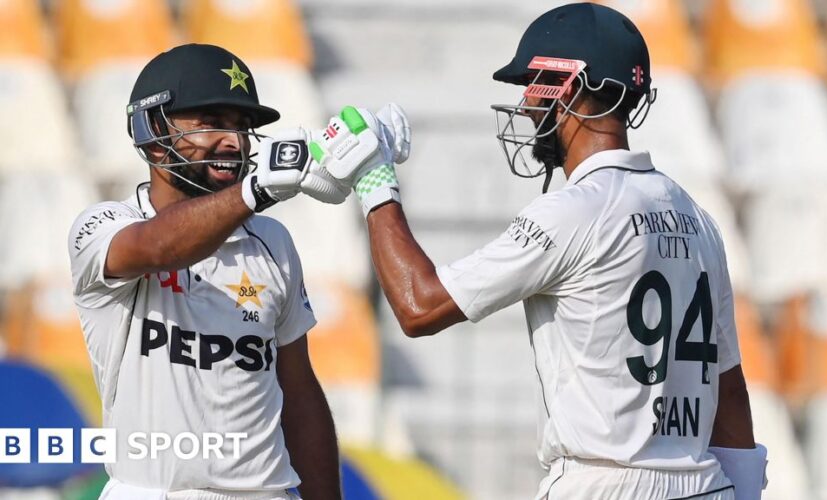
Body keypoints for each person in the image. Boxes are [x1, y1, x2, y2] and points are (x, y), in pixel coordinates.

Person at [318, 4, 768, 500]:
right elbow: (729, 392)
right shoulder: (700, 220)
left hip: (604, 485)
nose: (528, 105)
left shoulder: (573, 211)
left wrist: (374, 180)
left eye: (534, 85)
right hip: (705, 486)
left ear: (570, 88)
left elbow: (418, 304)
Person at [68, 44, 352, 500]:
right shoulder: (103, 225)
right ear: (152, 127)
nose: (234, 142)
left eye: (241, 128)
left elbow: (298, 392)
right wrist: (255, 191)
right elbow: (158, 246)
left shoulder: (272, 241)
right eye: (211, 124)